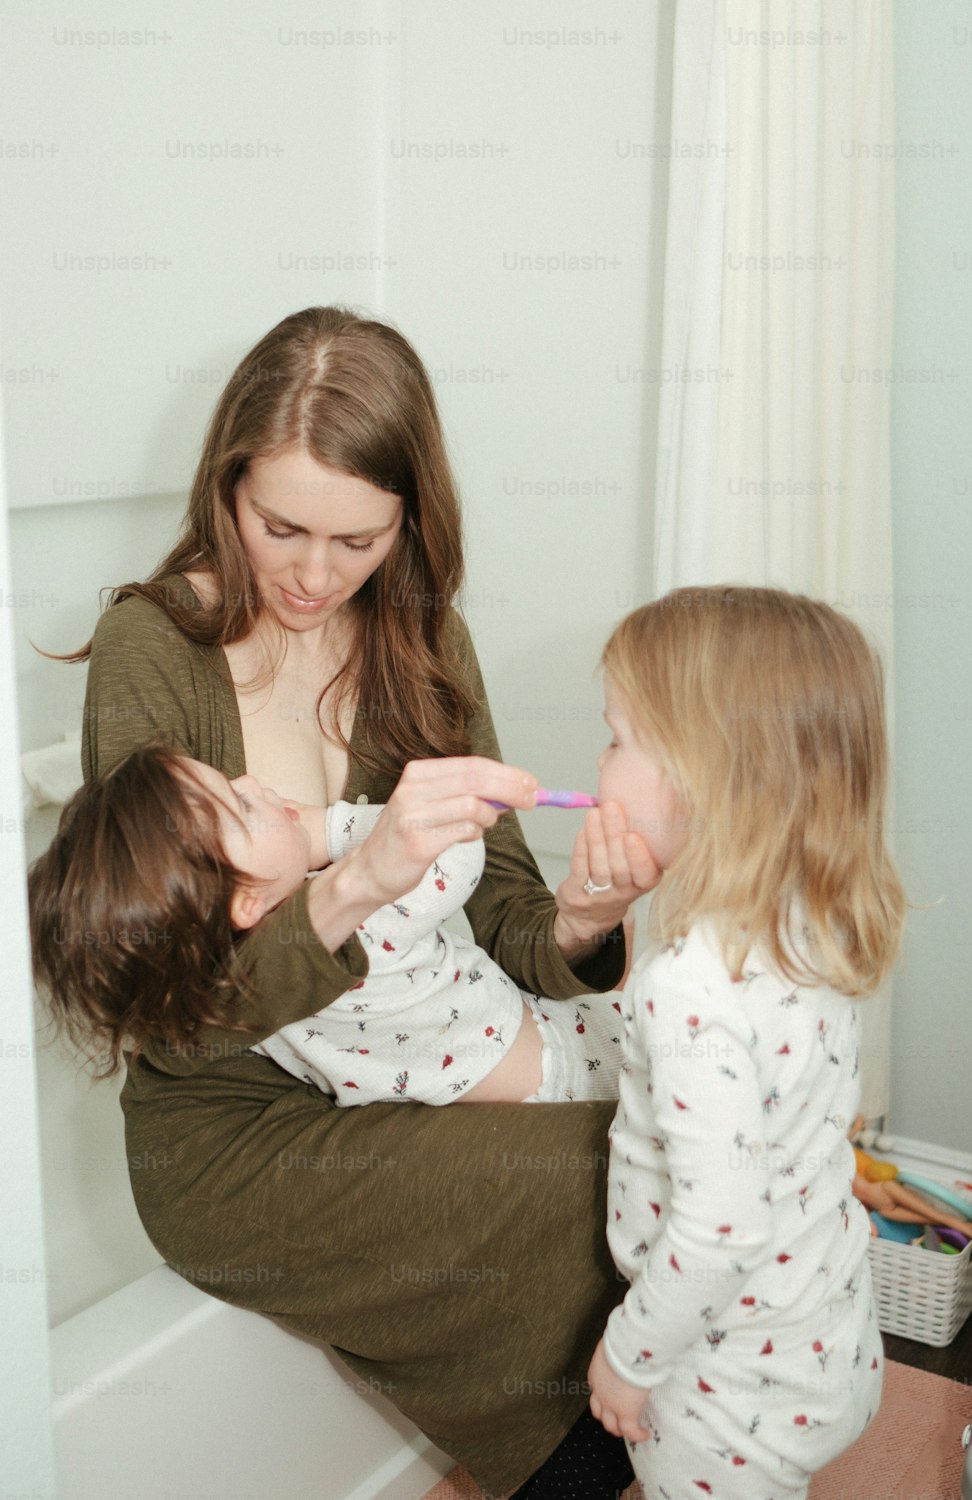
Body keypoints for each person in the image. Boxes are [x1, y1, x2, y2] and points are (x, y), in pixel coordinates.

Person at [64, 306, 660, 1499]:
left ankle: (633, 1446)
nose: (310, 575)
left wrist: (586, 920)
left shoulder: (426, 635)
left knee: (665, 1142)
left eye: (357, 541)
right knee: (604, 1168)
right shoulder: (152, 647)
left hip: (425, 1051)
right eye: (278, 525)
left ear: (408, 521)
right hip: (238, 1128)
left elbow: (504, 916)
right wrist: (355, 884)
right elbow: (160, 1012)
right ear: (225, 486)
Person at [584, 586, 907, 1499]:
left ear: (704, 779)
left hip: (726, 1383)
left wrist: (628, 1357)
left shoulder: (691, 986)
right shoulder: (809, 922)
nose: (598, 761)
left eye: (615, 739)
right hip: (825, 1332)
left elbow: (721, 1228)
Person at [29, 744, 624, 1106]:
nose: (252, 783)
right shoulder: (357, 939)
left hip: (516, 1067)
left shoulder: (239, 991)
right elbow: (458, 857)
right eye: (239, 807)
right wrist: (327, 828)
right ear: (245, 904)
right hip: (564, 1072)